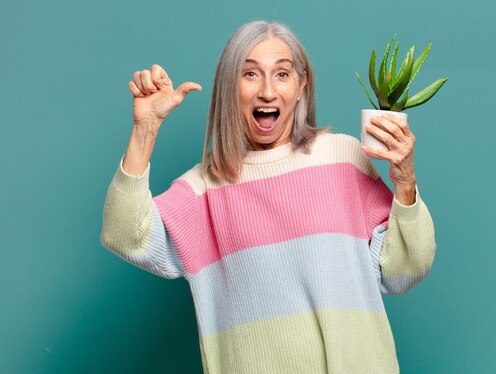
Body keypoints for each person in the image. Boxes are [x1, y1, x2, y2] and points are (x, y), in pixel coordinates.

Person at [101, 20, 436, 373]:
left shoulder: (344, 159)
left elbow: (403, 272)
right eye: (250, 74)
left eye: (282, 74)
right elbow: (125, 233)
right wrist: (145, 129)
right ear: (230, 87)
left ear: (301, 85)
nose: (267, 91)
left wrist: (406, 183)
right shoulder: (204, 189)